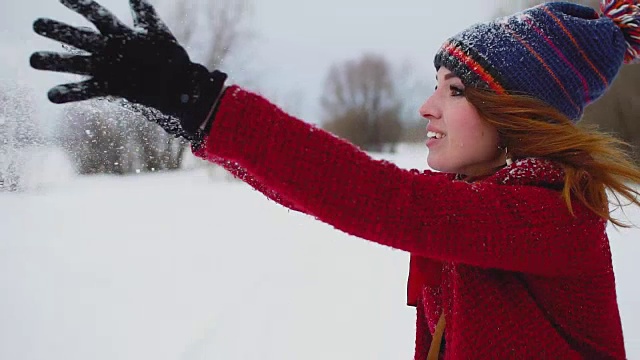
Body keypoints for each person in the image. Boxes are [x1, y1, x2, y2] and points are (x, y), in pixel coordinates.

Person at [29, 0, 640, 358]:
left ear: (517, 115)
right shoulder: (479, 206)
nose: (426, 107)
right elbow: (330, 191)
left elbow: (374, 196)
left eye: (454, 91)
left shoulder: (553, 216)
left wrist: (206, 105)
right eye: (435, 85)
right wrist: (191, 120)